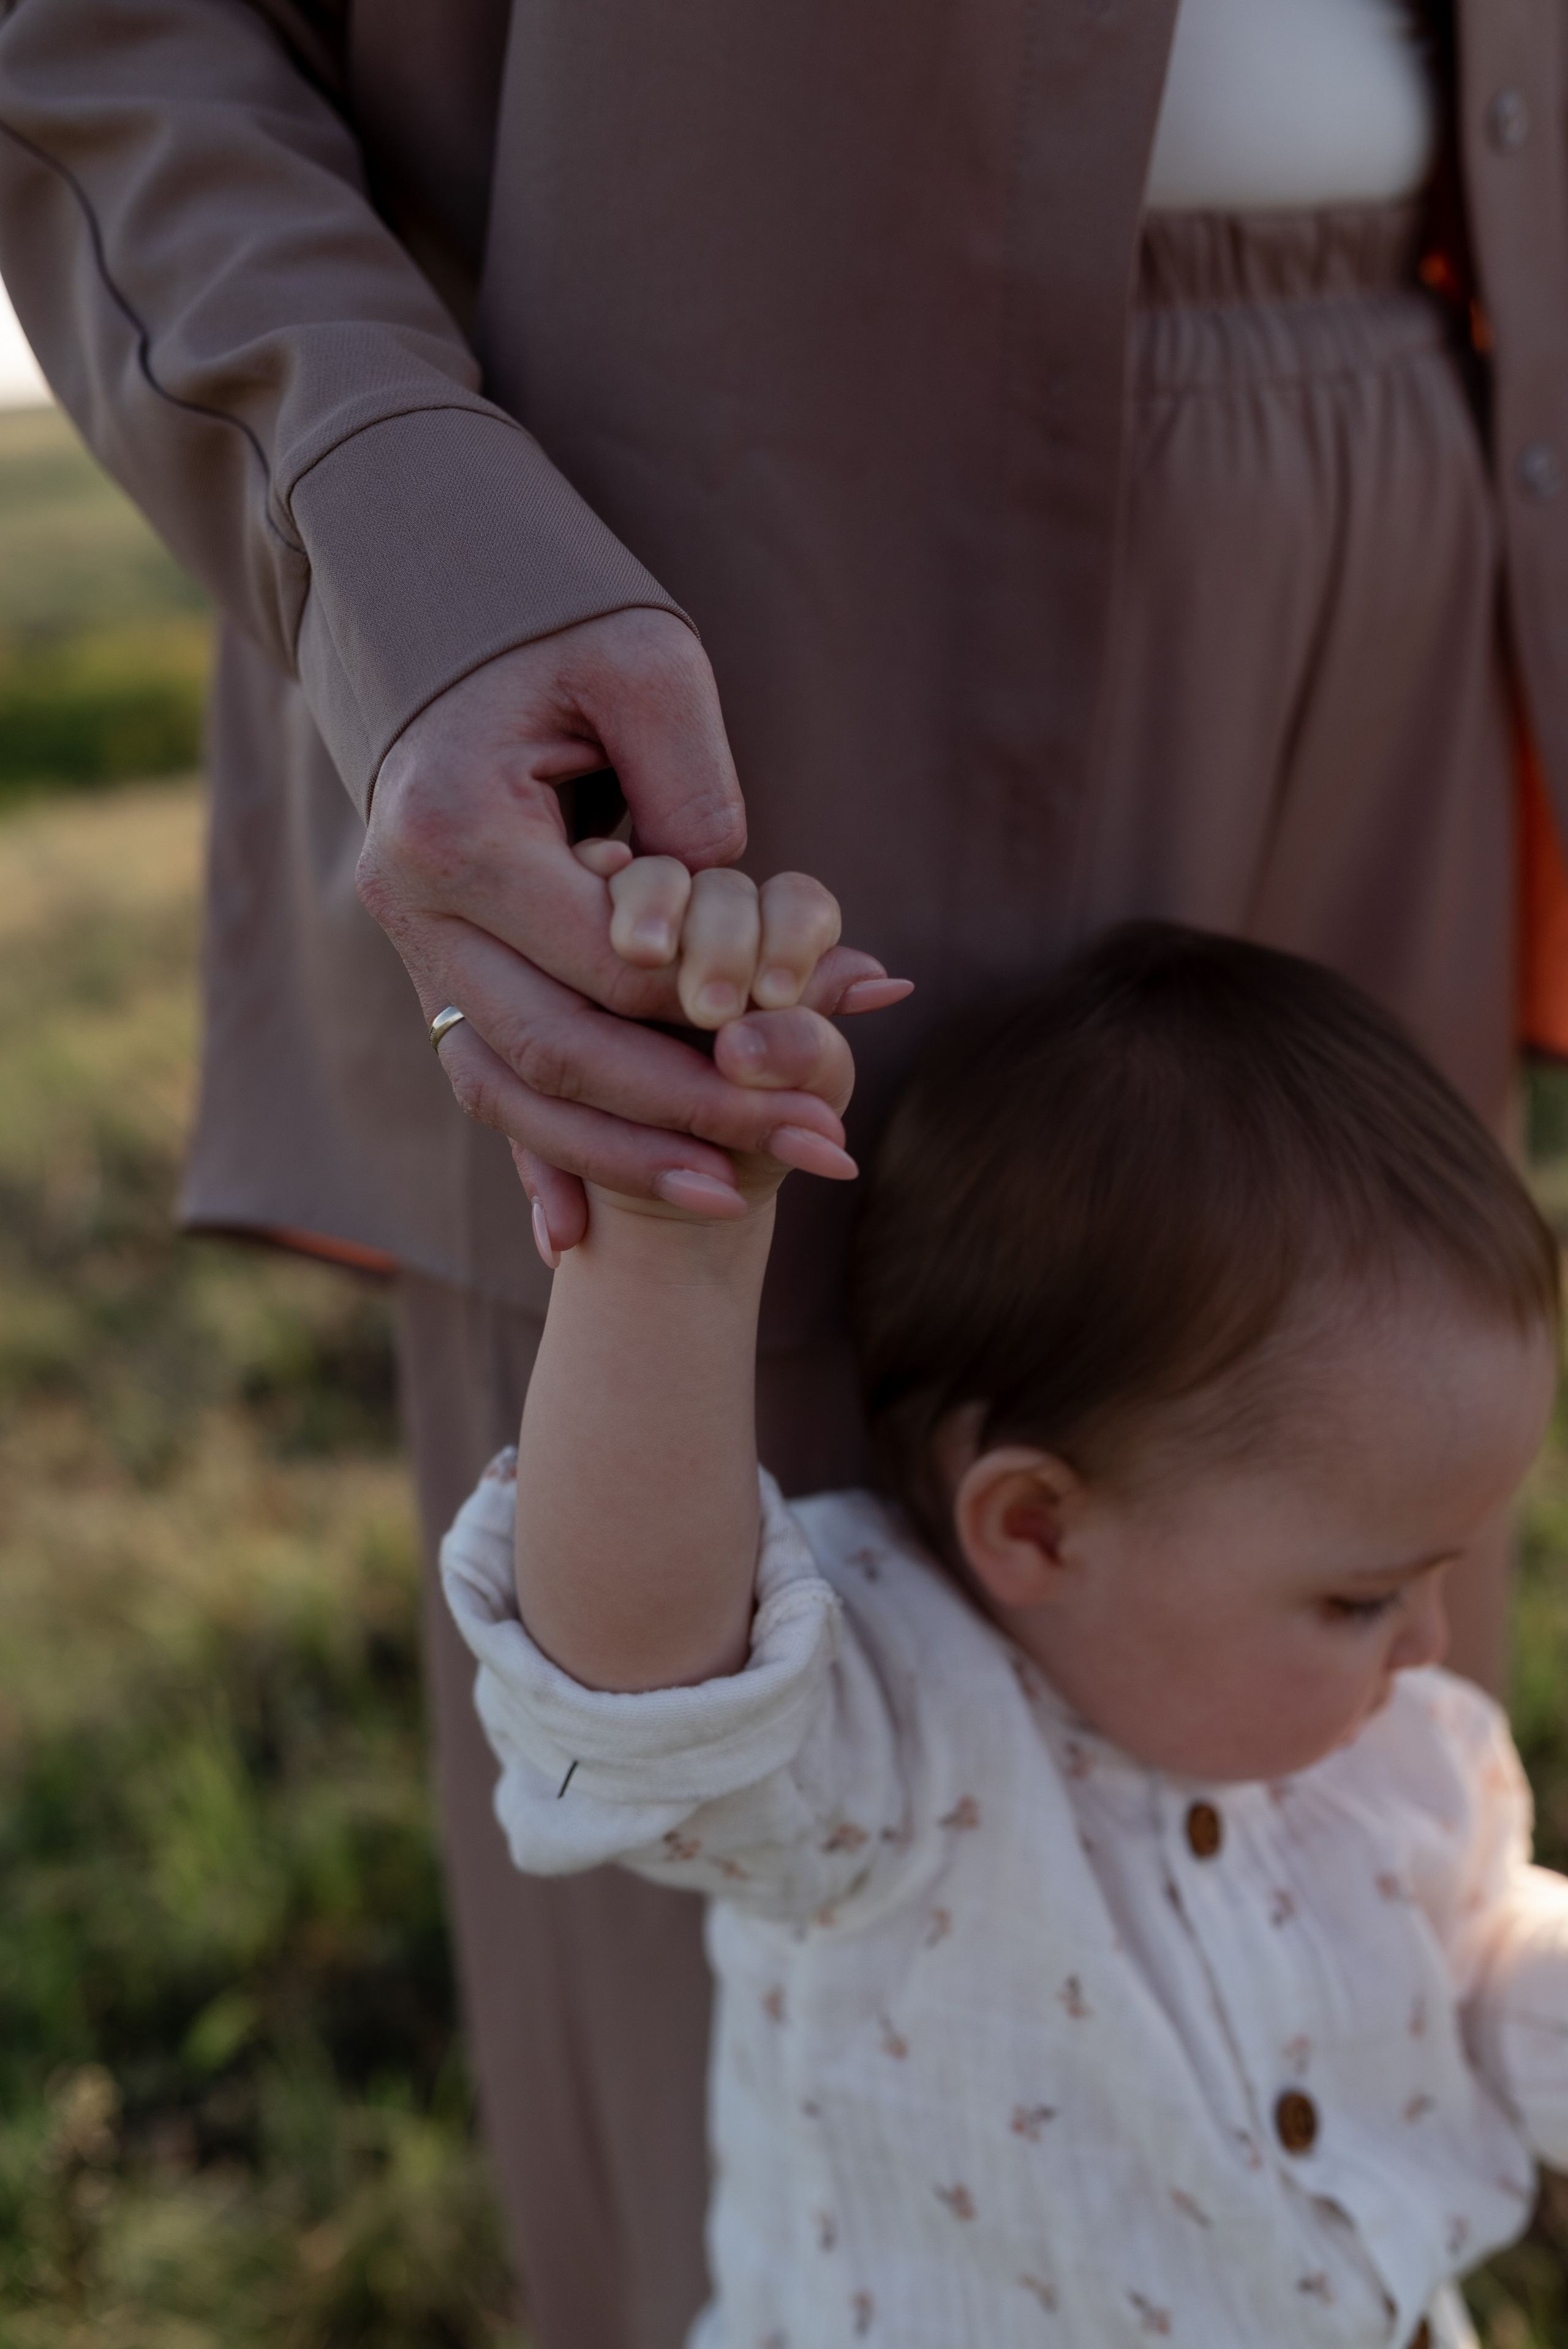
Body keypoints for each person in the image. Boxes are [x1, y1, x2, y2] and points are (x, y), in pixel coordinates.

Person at [5, 0, 1568, 2337]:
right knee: (747, 1870)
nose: (1452, 1656)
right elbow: (658, 1685)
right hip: (706, 540)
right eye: (1406, 1615)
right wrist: (667, 1237)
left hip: (1412, 439)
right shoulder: (849, 1745)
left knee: (1312, 1549)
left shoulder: (1410, 1712)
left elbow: (1470, 1923)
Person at [444, 910, 1567, 2349]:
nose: (1423, 1647)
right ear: (1035, 1528)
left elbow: (1475, 1958)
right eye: (1356, 1599)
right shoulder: (902, 1735)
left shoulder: (1401, 1759)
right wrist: (667, 1248)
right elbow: (640, 1695)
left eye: (1432, 1577)